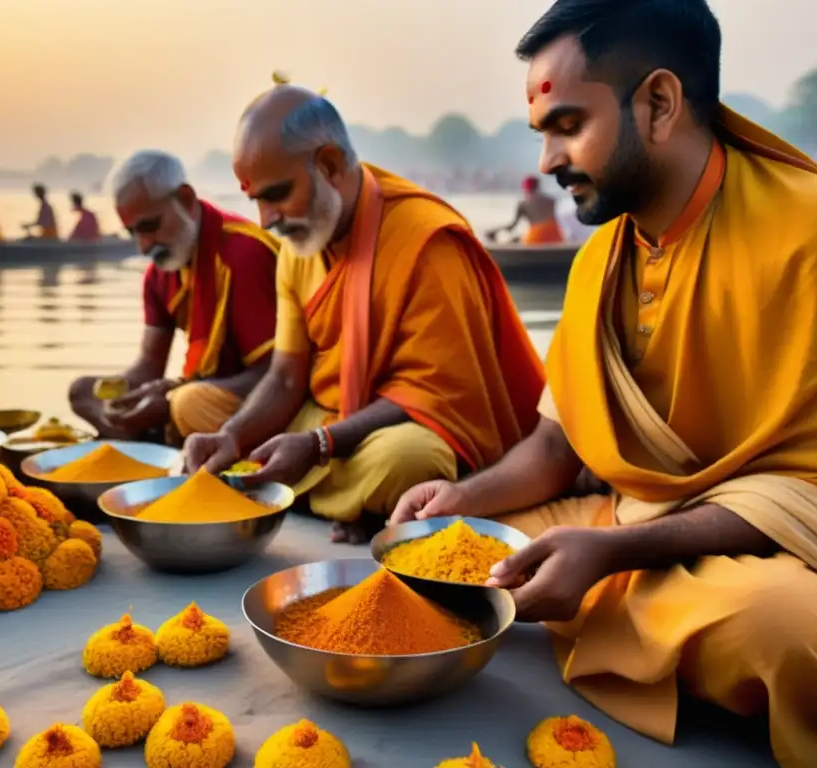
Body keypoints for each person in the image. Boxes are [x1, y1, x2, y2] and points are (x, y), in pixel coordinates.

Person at [390, 1, 817, 766]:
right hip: (618, 519)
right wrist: (464, 499)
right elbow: (556, 443)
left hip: (772, 551)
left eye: (567, 126)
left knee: (782, 632)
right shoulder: (598, 257)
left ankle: (594, 604)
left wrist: (613, 558)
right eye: (542, 134)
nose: (548, 161)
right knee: (437, 554)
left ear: (658, 104)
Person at [183, 84, 546, 543]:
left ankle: (304, 490)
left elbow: (433, 395)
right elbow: (286, 378)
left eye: (276, 195)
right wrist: (233, 436)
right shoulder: (300, 244)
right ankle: (338, 497)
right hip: (323, 418)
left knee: (411, 463)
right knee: (197, 406)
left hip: (396, 429)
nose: (265, 219)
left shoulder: (427, 242)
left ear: (331, 165)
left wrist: (320, 445)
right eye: (256, 200)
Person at [68, 150, 279, 443]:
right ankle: (155, 441)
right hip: (196, 393)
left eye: (149, 227)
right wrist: (125, 400)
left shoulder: (243, 254)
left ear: (186, 200)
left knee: (189, 404)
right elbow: (148, 365)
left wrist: (169, 400)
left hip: (257, 404)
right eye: (133, 233)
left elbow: (277, 375)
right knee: (82, 393)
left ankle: (165, 439)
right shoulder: (159, 274)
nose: (143, 247)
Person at [485, 175, 564, 244]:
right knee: (521, 237)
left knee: (515, 240)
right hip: (556, 236)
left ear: (525, 189)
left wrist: (494, 231)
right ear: (538, 187)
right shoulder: (552, 200)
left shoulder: (523, 204)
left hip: (536, 238)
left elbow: (512, 227)